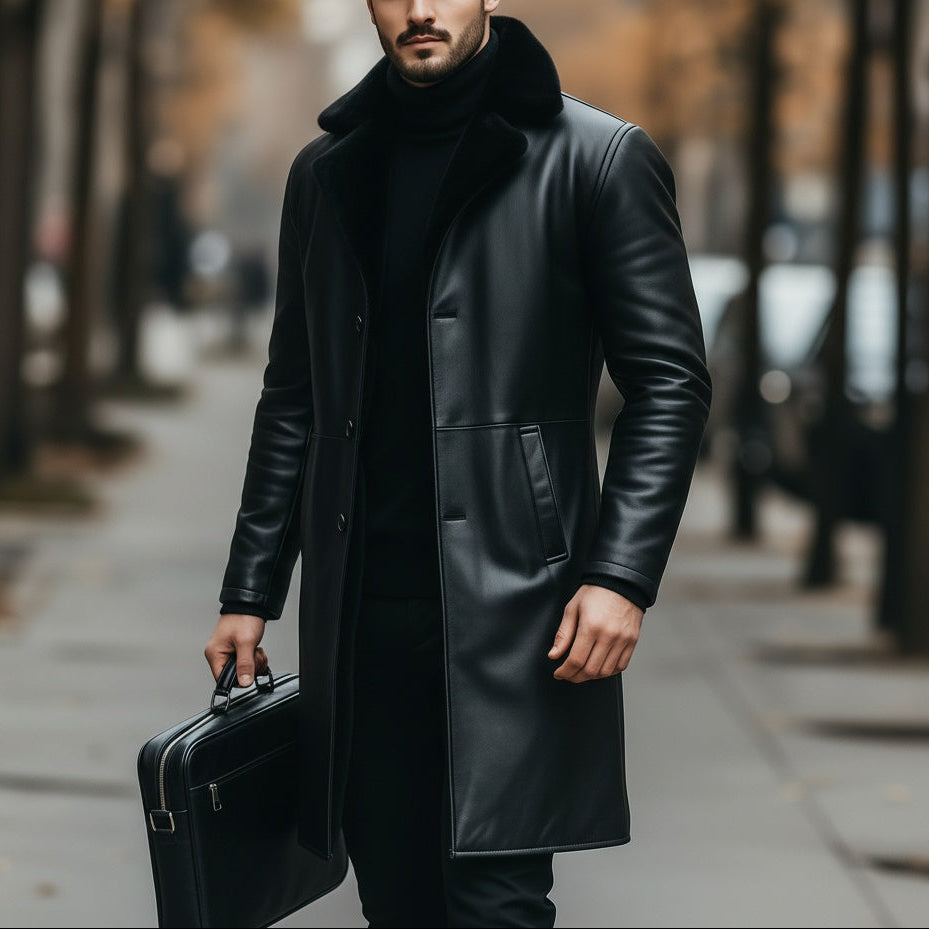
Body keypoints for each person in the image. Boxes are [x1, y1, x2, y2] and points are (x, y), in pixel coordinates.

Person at [204, 4, 711, 927]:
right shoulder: (327, 172)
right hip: (359, 621)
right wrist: (250, 589)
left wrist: (620, 576)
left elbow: (669, 382)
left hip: (524, 618)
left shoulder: (593, 157)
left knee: (496, 904)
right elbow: (294, 397)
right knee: (394, 902)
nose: (419, 9)